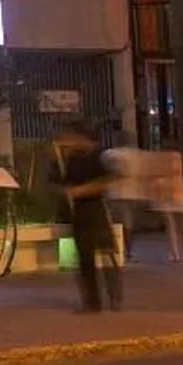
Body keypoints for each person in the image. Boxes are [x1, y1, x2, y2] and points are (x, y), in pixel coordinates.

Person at [57, 121, 122, 312]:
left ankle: (114, 297)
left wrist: (85, 190)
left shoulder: (99, 157)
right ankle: (92, 302)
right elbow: (64, 184)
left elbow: (110, 179)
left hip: (97, 211)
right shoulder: (72, 160)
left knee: (107, 255)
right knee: (85, 258)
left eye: (72, 137)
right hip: (79, 213)